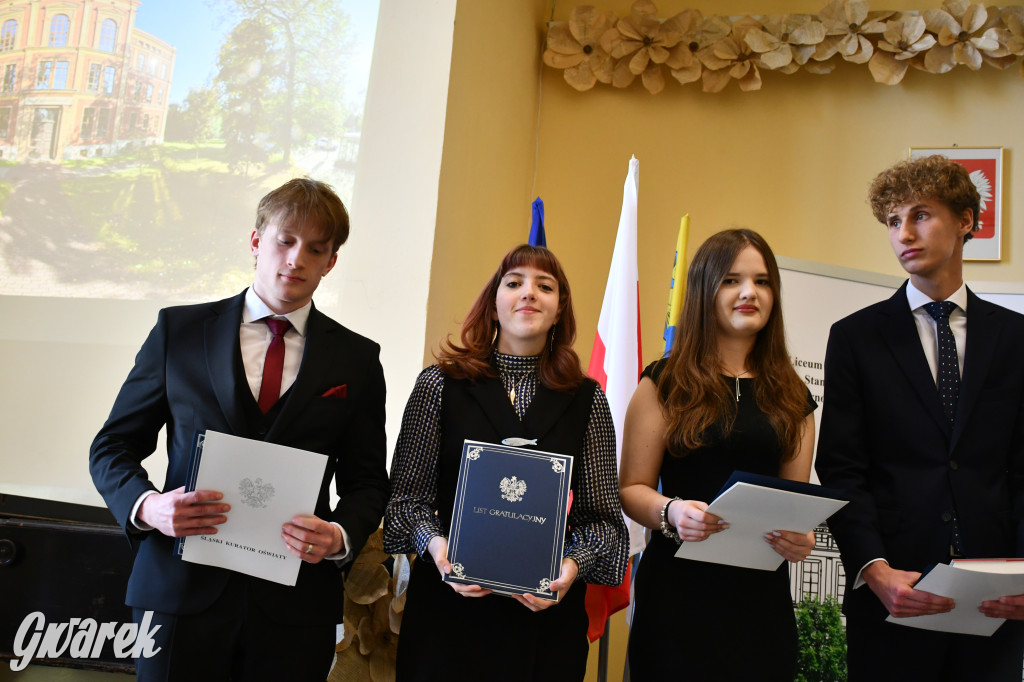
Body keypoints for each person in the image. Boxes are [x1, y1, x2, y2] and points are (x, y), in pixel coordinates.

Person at [89, 178, 389, 681]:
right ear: (256, 242)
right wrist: (149, 507)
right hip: (178, 595)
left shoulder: (357, 359)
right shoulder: (178, 332)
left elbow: (367, 481)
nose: (296, 259)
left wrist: (338, 535)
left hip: (295, 608)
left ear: (330, 262)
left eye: (315, 249)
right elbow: (113, 447)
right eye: (284, 240)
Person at [815, 155, 1024, 680]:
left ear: (965, 221)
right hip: (894, 596)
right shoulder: (855, 337)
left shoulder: (1015, 338)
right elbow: (842, 467)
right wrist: (874, 570)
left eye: (921, 215)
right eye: (892, 221)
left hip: (997, 601)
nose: (904, 233)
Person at [383, 244, 628, 682]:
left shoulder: (588, 402)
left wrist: (569, 571)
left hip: (546, 627)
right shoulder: (439, 385)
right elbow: (404, 505)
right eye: (514, 283)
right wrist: (440, 552)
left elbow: (606, 526)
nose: (528, 293)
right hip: (448, 618)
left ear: (560, 310)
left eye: (544, 286)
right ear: (493, 305)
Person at [620, 228, 817, 680]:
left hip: (759, 605)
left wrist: (800, 539)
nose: (750, 292)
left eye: (763, 281)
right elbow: (631, 489)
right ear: (705, 289)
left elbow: (793, 503)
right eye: (732, 280)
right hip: (676, 598)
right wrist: (671, 512)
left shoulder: (793, 397)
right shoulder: (663, 383)